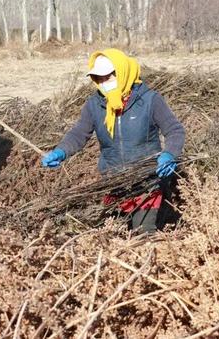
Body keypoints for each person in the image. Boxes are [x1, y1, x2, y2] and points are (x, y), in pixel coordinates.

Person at [41, 48, 185, 233]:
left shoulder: (150, 100)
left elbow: (175, 130)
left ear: (122, 73)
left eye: (107, 77)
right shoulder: (95, 105)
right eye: (98, 79)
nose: (102, 83)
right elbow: (79, 133)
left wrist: (169, 154)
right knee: (113, 236)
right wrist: (61, 151)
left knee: (143, 235)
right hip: (114, 182)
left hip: (147, 182)